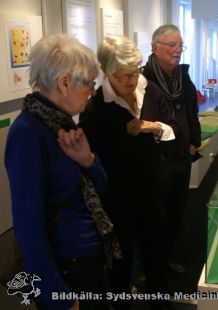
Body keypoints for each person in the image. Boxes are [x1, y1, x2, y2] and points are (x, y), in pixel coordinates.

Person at [5, 34, 120, 310]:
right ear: (65, 83)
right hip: (68, 270)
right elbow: (28, 227)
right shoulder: (28, 134)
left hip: (88, 259)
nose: (93, 92)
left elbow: (101, 189)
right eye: (90, 84)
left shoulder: (63, 123)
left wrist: (89, 160)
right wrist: (59, 297)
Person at [79, 35, 178, 309]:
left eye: (135, 73)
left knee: (155, 259)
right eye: (123, 77)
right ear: (106, 72)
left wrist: (153, 126)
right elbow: (89, 160)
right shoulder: (96, 108)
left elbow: (175, 130)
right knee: (119, 268)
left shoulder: (151, 91)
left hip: (151, 193)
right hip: (117, 202)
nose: (131, 82)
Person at [142, 24, 201, 273]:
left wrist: (193, 142)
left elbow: (192, 112)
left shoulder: (182, 77)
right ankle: (148, 267)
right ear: (155, 47)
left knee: (176, 213)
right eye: (172, 45)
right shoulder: (143, 80)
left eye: (180, 45)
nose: (178, 50)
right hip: (156, 160)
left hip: (181, 157)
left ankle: (166, 258)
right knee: (154, 215)